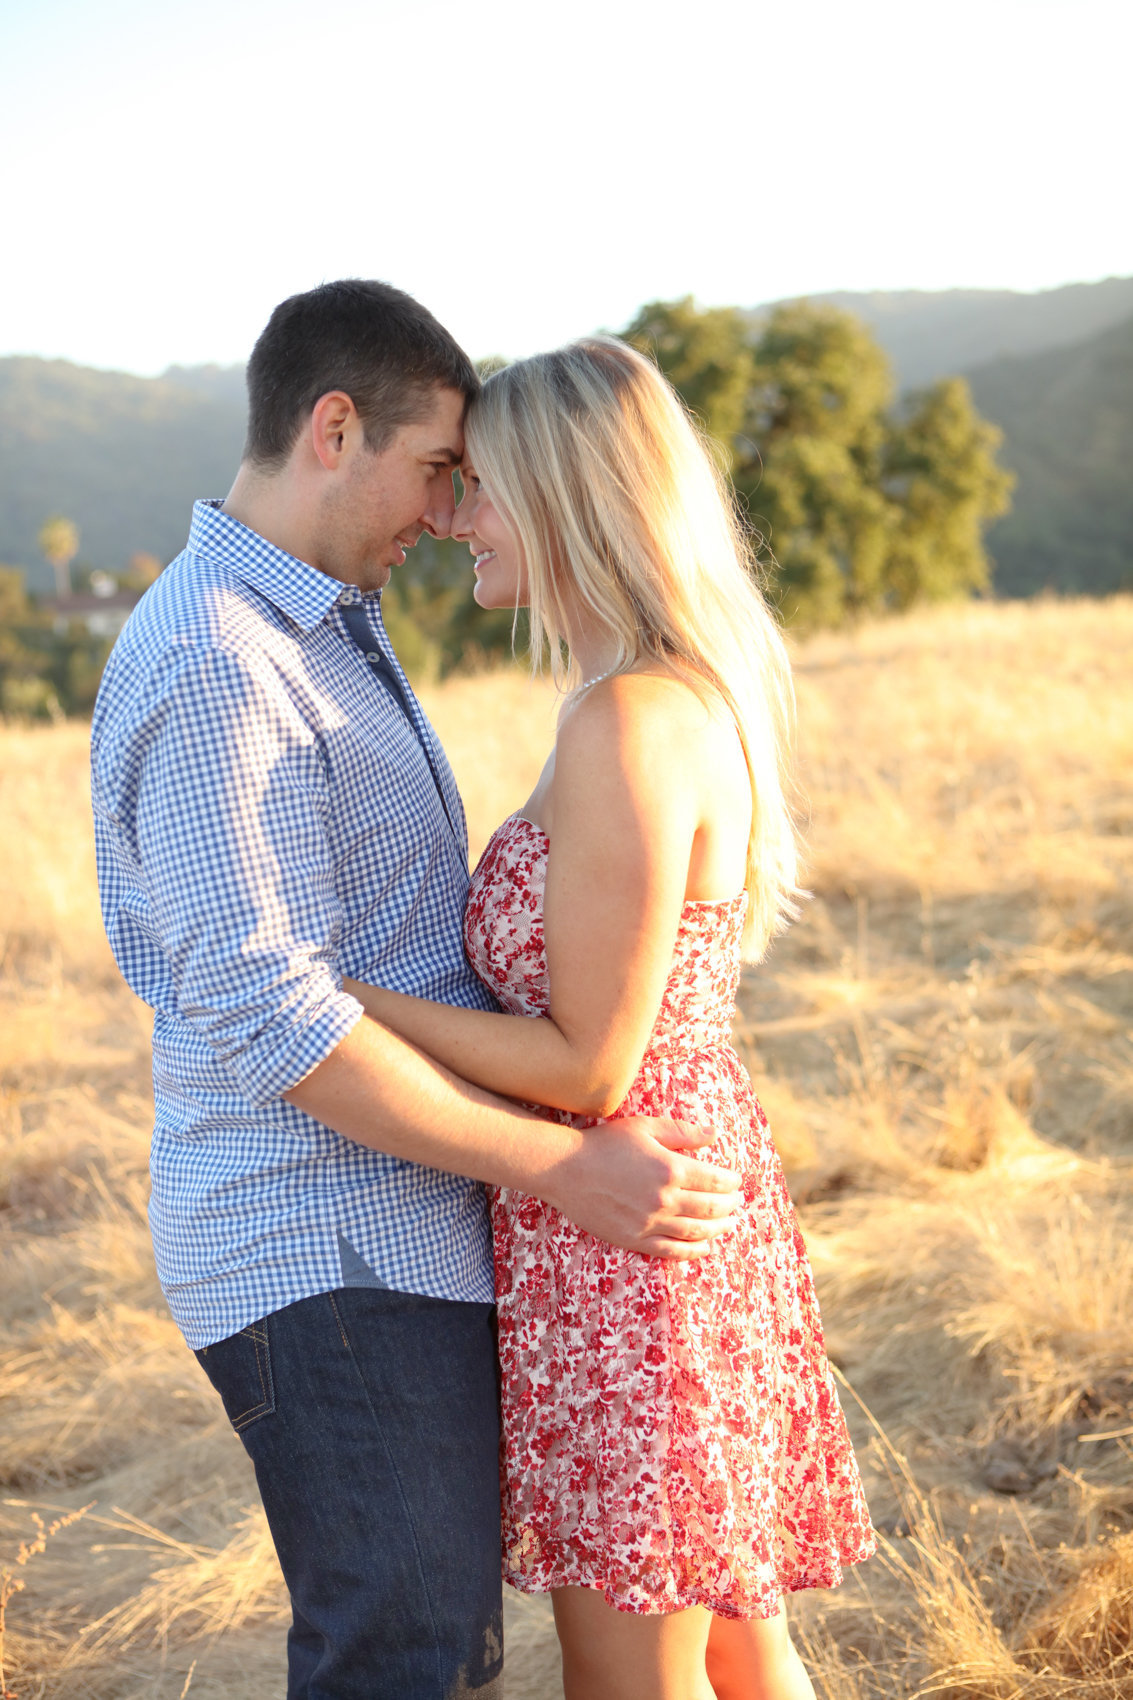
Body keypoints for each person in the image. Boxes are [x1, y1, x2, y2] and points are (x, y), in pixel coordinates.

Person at [89, 282, 745, 1700]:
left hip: (406, 1231)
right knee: (411, 1662)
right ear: (335, 429)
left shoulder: (310, 626)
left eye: (470, 482)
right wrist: (561, 1167)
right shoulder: (220, 660)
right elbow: (275, 1013)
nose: (446, 513)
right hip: (324, 1249)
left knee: (460, 1650)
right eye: (437, 469)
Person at [341, 337, 876, 1700]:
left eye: (481, 487)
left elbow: (588, 1066)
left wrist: (347, 1001)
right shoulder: (646, 697)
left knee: (630, 1674)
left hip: (631, 1232)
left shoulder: (629, 720)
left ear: (567, 495)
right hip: (647, 1208)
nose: (453, 518)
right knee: (737, 1649)